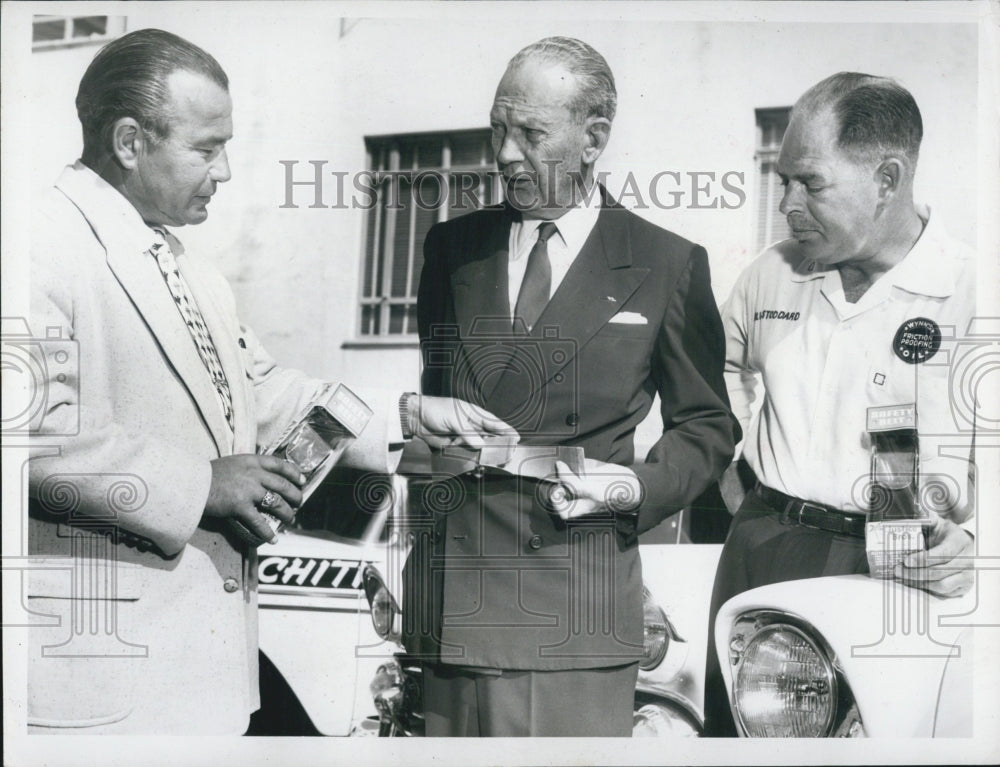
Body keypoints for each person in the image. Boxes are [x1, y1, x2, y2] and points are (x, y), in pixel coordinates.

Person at [25, 28, 513, 735]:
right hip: (99, 692)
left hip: (204, 687)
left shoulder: (194, 271)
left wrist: (406, 415)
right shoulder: (39, 241)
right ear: (129, 142)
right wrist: (202, 482)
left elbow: (265, 392)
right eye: (206, 147)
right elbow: (33, 429)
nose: (224, 171)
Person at [404, 36, 739, 736]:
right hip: (451, 606)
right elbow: (440, 417)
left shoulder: (665, 263)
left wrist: (635, 487)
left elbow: (707, 426)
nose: (504, 154)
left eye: (530, 133)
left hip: (572, 614)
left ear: (594, 139)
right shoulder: (450, 249)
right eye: (497, 128)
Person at [704, 72, 978, 736]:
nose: (787, 205)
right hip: (760, 545)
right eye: (783, 179)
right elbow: (717, 378)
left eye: (811, 183)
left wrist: (975, 543)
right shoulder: (771, 273)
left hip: (896, 570)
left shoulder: (973, 290)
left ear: (887, 178)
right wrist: (733, 474)